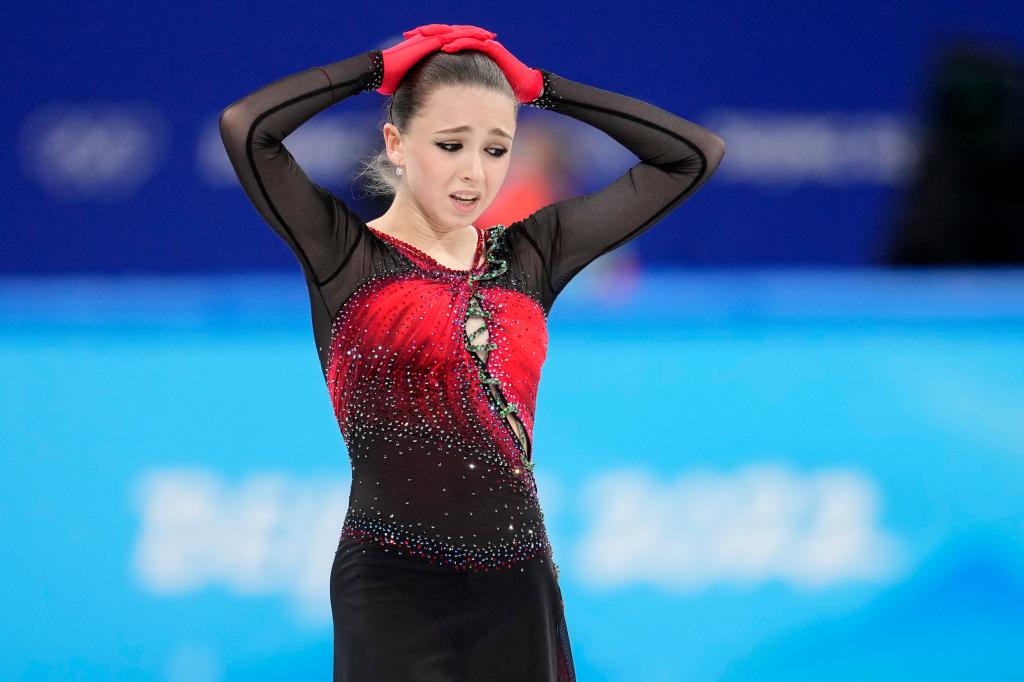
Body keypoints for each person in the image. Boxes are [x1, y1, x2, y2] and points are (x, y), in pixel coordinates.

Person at [219, 23, 725, 682]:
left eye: (496, 149)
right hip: (391, 588)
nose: (473, 172)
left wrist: (542, 88)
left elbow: (693, 155)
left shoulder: (531, 254)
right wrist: (375, 68)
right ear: (396, 143)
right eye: (451, 144)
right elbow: (246, 127)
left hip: (518, 588)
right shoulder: (345, 256)